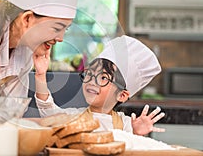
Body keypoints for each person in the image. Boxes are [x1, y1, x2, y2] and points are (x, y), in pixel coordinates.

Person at [33, 35, 165, 136]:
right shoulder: (73, 117)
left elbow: (133, 147)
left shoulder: (126, 125)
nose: (92, 81)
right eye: (89, 73)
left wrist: (136, 133)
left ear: (122, 95)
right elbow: (48, 112)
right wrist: (40, 75)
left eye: (103, 78)